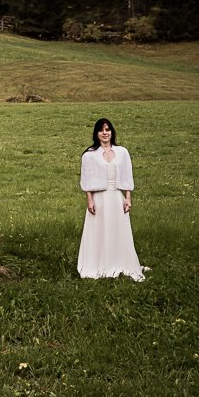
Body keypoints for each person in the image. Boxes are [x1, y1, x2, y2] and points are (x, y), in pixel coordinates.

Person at [77, 118, 144, 281]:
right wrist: (90, 200)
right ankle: (98, 262)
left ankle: (119, 261)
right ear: (96, 134)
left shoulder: (122, 152)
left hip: (116, 198)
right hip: (99, 198)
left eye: (107, 130)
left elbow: (127, 176)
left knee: (118, 231)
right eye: (101, 130)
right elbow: (87, 179)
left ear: (112, 132)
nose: (105, 133)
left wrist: (128, 198)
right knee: (99, 231)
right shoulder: (89, 155)